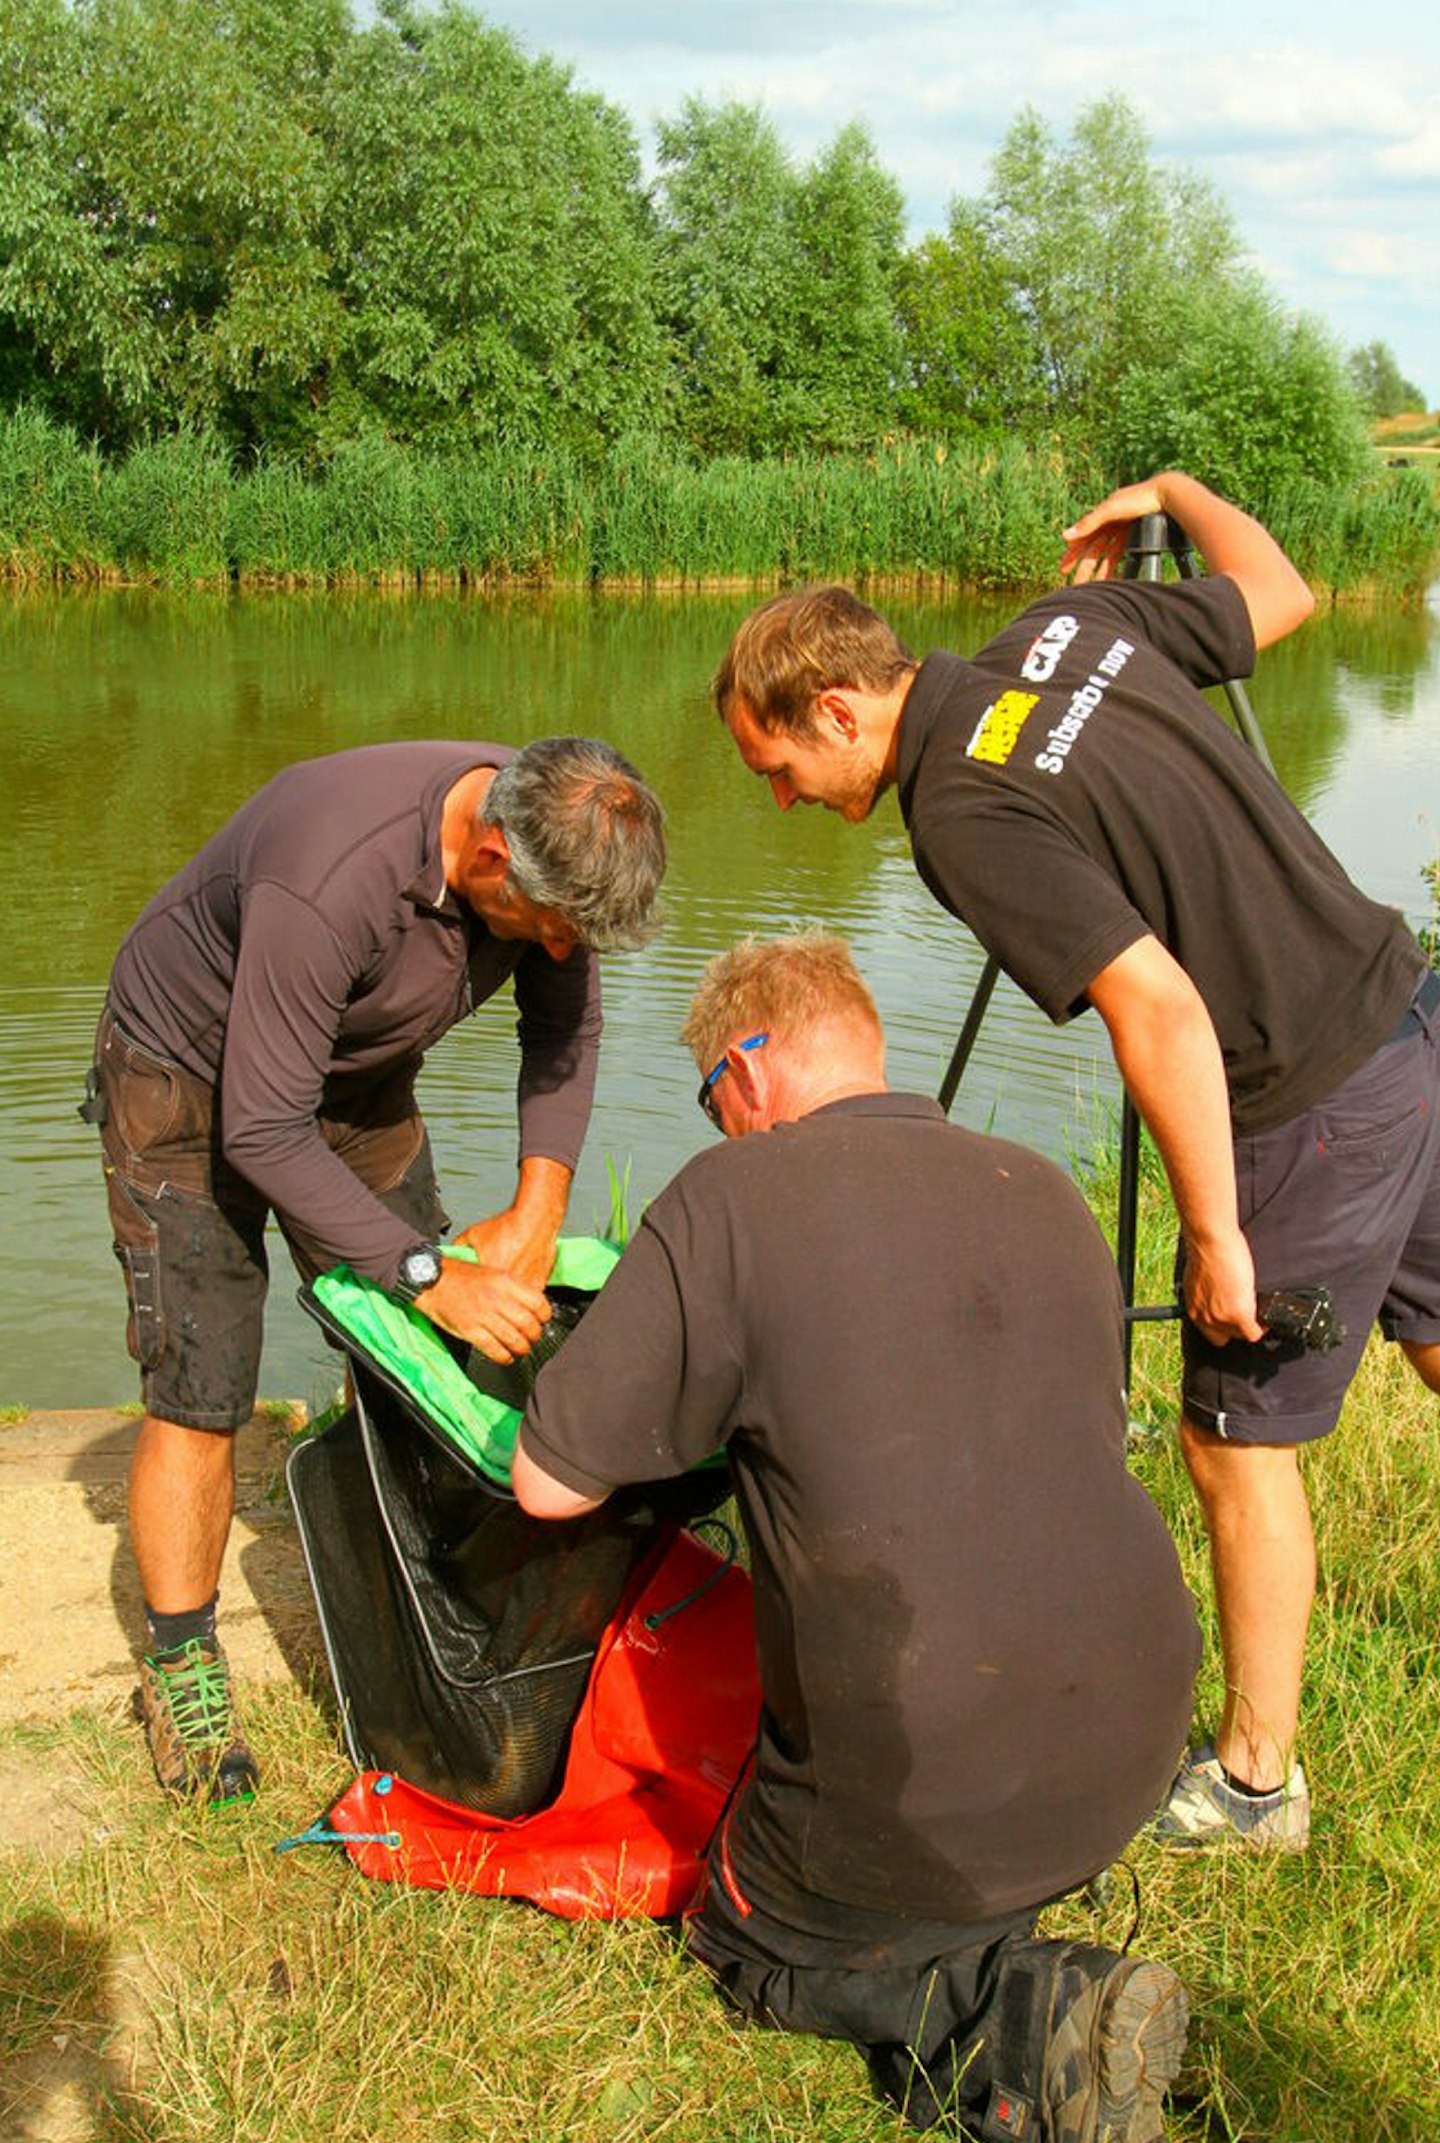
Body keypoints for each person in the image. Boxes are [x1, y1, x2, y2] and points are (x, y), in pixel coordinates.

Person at [709, 471, 1440, 1852]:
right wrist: (1180, 490)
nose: (789, 800)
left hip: (1304, 1086)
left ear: (842, 712)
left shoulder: (961, 810)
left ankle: (1255, 1782)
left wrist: (1219, 1228)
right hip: (1406, 1009)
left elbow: (1157, 1004)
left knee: (1234, 1439)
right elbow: (1284, 592)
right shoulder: (1067, 631)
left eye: (780, 769)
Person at [513, 933, 1200, 2142]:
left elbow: (547, 1486)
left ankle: (1006, 2020)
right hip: (1135, 1747)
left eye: (711, 1094)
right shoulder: (1037, 1183)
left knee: (742, 1936)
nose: (719, 1122)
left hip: (926, 1787)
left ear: (752, 1064)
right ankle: (1010, 1940)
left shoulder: (735, 1193)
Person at [87, 734, 665, 1804]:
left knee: (420, 1352)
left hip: (350, 1083)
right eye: (550, 929)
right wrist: (426, 1269)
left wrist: (537, 1215)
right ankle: (180, 1665)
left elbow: (563, 1034)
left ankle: (421, 1601)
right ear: (491, 858)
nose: (558, 949)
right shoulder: (332, 876)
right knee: (203, 1384)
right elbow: (260, 1128)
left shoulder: (558, 842)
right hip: (186, 1086)